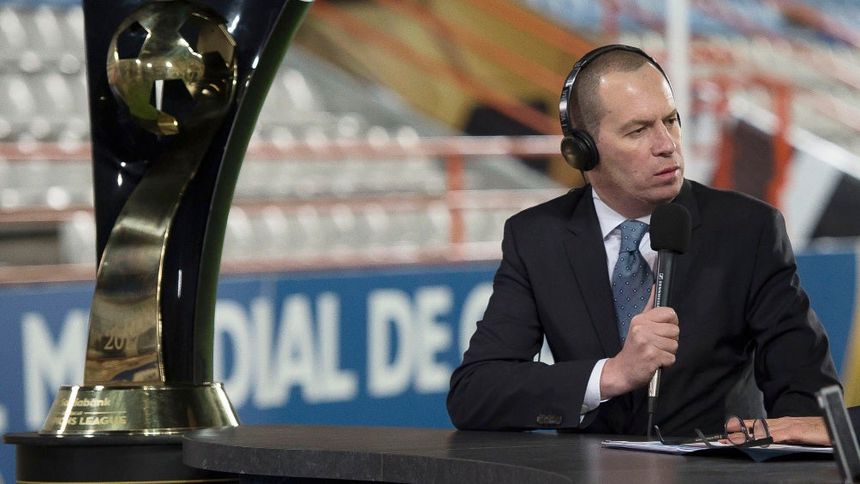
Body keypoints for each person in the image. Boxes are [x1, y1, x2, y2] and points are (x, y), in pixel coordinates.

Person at [446, 44, 840, 439]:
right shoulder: (537, 237)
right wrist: (612, 374)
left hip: (713, 466)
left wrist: (767, 447)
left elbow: (809, 400)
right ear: (582, 152)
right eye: (638, 130)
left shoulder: (748, 230)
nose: (666, 144)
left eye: (671, 120)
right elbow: (475, 393)